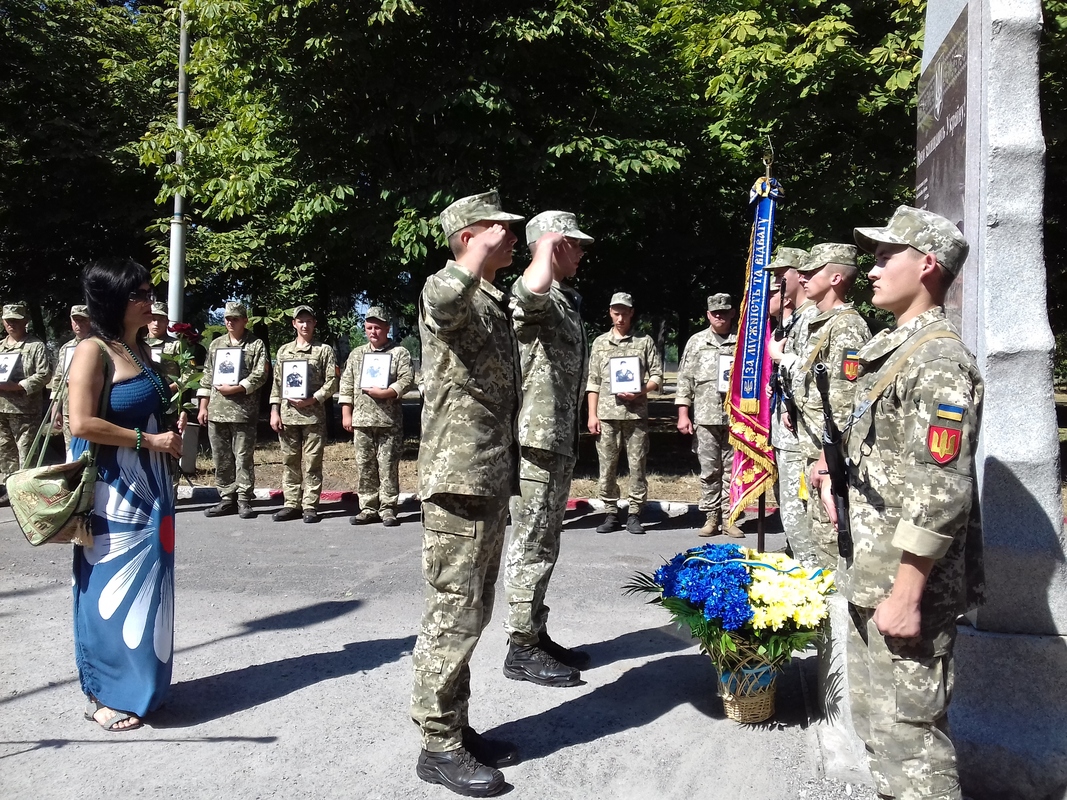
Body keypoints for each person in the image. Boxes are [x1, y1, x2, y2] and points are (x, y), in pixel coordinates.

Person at [811, 207, 983, 800]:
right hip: (874, 570)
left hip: (909, 586)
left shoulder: (937, 361)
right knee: (878, 727)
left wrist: (908, 593)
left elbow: (943, 489)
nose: (874, 268)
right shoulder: (895, 347)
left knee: (913, 737)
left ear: (927, 264)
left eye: (888, 256)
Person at [410, 190, 524, 797]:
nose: (512, 235)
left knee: (473, 608)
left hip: (485, 472)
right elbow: (445, 299)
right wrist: (472, 256)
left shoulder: (489, 297)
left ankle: (454, 724)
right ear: (469, 234)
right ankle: (436, 745)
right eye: (500, 229)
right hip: (457, 476)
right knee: (453, 609)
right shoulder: (445, 289)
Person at [66, 259, 185, 731]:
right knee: (107, 590)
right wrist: (147, 441)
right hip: (112, 494)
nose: (149, 300)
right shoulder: (92, 351)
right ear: (117, 300)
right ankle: (103, 692)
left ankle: (145, 688)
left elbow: (146, 409)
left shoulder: (137, 349)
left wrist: (167, 423)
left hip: (153, 492)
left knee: (151, 590)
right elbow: (81, 424)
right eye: (140, 293)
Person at [502, 210, 593, 688]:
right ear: (555, 246)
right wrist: (545, 245)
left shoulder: (566, 298)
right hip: (535, 439)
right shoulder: (537, 293)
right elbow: (525, 294)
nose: (581, 252)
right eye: (573, 244)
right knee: (531, 543)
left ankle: (534, 633)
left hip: (556, 438)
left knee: (546, 541)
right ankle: (520, 646)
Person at [771, 243, 871, 569]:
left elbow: (846, 401)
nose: (803, 277)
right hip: (811, 444)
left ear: (836, 278)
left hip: (826, 452)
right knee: (814, 530)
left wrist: (829, 460)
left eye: (813, 271)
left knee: (831, 542)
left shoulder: (847, 327)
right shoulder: (823, 322)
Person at [586, 292, 663, 534]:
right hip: (607, 415)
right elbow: (593, 382)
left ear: (632, 313)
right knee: (607, 466)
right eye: (616, 312)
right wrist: (591, 414)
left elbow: (657, 377)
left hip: (635, 415)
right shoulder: (600, 343)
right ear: (610, 312)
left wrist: (641, 391)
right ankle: (610, 512)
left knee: (637, 465)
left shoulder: (644, 341)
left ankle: (634, 513)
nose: (620, 318)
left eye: (624, 312)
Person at [764, 247, 817, 564]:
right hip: (787, 428)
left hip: (800, 433)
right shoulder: (797, 319)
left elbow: (810, 378)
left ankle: (808, 572)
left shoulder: (810, 318)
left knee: (800, 508)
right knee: (791, 504)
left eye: (782, 273)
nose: (776, 280)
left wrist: (779, 358)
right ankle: (801, 561)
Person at [339, 306, 415, 527]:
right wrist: (346, 413)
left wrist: (389, 392)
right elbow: (346, 384)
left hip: (388, 420)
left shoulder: (399, 352)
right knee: (365, 466)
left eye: (377, 327)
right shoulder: (357, 354)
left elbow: (406, 379)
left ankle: (388, 507)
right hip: (362, 420)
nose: (373, 332)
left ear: (387, 328)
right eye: (369, 327)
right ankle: (368, 507)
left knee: (388, 465)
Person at [675, 293, 741, 538]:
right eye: (715, 313)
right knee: (709, 470)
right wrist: (683, 414)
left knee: (733, 470)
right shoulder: (697, 341)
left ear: (733, 313)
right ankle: (711, 516)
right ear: (708, 315)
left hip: (736, 416)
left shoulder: (743, 341)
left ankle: (730, 517)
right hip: (705, 415)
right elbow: (685, 380)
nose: (720, 317)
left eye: (724, 312)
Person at [198, 301, 268, 519]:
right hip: (217, 410)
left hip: (243, 411)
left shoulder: (255, 344)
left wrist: (239, 387)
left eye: (235, 318)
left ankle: (245, 499)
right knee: (221, 457)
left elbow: (261, 374)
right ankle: (227, 497)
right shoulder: (216, 344)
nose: (230, 322)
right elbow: (208, 375)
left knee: (243, 457)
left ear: (245, 320)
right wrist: (203, 406)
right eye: (227, 318)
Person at [269, 305, 337, 524]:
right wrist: (274, 411)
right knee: (290, 461)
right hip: (288, 415)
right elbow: (277, 384)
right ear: (294, 324)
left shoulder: (323, 350)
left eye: (308, 321)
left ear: (314, 323)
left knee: (312, 462)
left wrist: (313, 398)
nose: (305, 325)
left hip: (313, 416)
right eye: (300, 321)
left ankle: (309, 505)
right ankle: (291, 503)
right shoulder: (283, 351)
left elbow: (332, 382)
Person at [0, 302, 51, 502]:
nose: (12, 324)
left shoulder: (36, 346)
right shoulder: (1, 347)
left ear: (25, 322)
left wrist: (19, 386)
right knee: (5, 450)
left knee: (27, 451)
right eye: (8, 321)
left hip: (25, 409)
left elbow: (45, 374)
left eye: (16, 320)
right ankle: (8, 491)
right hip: (2, 407)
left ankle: (28, 492)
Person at [49, 304, 93, 452]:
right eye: (75, 320)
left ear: (91, 321)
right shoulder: (66, 348)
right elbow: (58, 380)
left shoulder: (101, 345)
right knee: (70, 451)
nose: (78, 324)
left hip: (93, 409)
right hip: (69, 409)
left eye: (83, 320)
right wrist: (56, 408)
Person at [144, 301, 181, 392]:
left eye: (161, 319)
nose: (156, 323)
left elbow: (189, 373)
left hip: (169, 397)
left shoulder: (176, 345)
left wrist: (170, 388)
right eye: (153, 319)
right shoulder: (139, 344)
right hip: (144, 394)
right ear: (146, 321)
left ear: (167, 322)